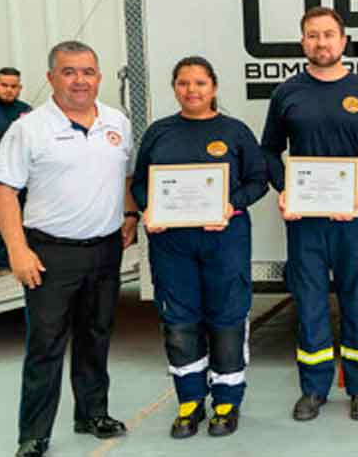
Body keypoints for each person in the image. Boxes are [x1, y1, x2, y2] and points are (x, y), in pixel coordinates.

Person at [0, 41, 137, 457]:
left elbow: (125, 175)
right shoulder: (28, 127)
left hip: (106, 249)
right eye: (70, 72)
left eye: (88, 71)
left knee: (96, 336)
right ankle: (34, 434)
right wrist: (17, 250)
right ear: (51, 78)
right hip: (50, 253)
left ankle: (91, 412)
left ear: (98, 75)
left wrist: (129, 216)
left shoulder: (117, 121)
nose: (80, 81)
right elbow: (5, 191)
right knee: (46, 346)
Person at [261, 6, 358, 422]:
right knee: (311, 300)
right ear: (303, 42)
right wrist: (284, 189)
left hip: (351, 219)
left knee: (355, 297)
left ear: (343, 40)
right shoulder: (287, 93)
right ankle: (314, 389)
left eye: (329, 35)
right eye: (313, 36)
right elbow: (268, 151)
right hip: (305, 221)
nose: (321, 43)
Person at [131, 56, 268, 438]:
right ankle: (189, 402)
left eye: (200, 83)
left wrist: (232, 204)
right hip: (172, 245)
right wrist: (147, 208)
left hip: (224, 241)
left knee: (226, 320)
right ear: (174, 87)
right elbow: (141, 183)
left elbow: (259, 180)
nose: (192, 90)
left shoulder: (235, 131)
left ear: (214, 87)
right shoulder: (159, 133)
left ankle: (226, 403)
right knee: (179, 322)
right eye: (184, 83)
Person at [0, 67, 31, 270]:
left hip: (19, 178)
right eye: (4, 85)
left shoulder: (26, 111)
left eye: (13, 86)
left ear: (20, 88)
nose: (9, 90)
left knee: (18, 219)